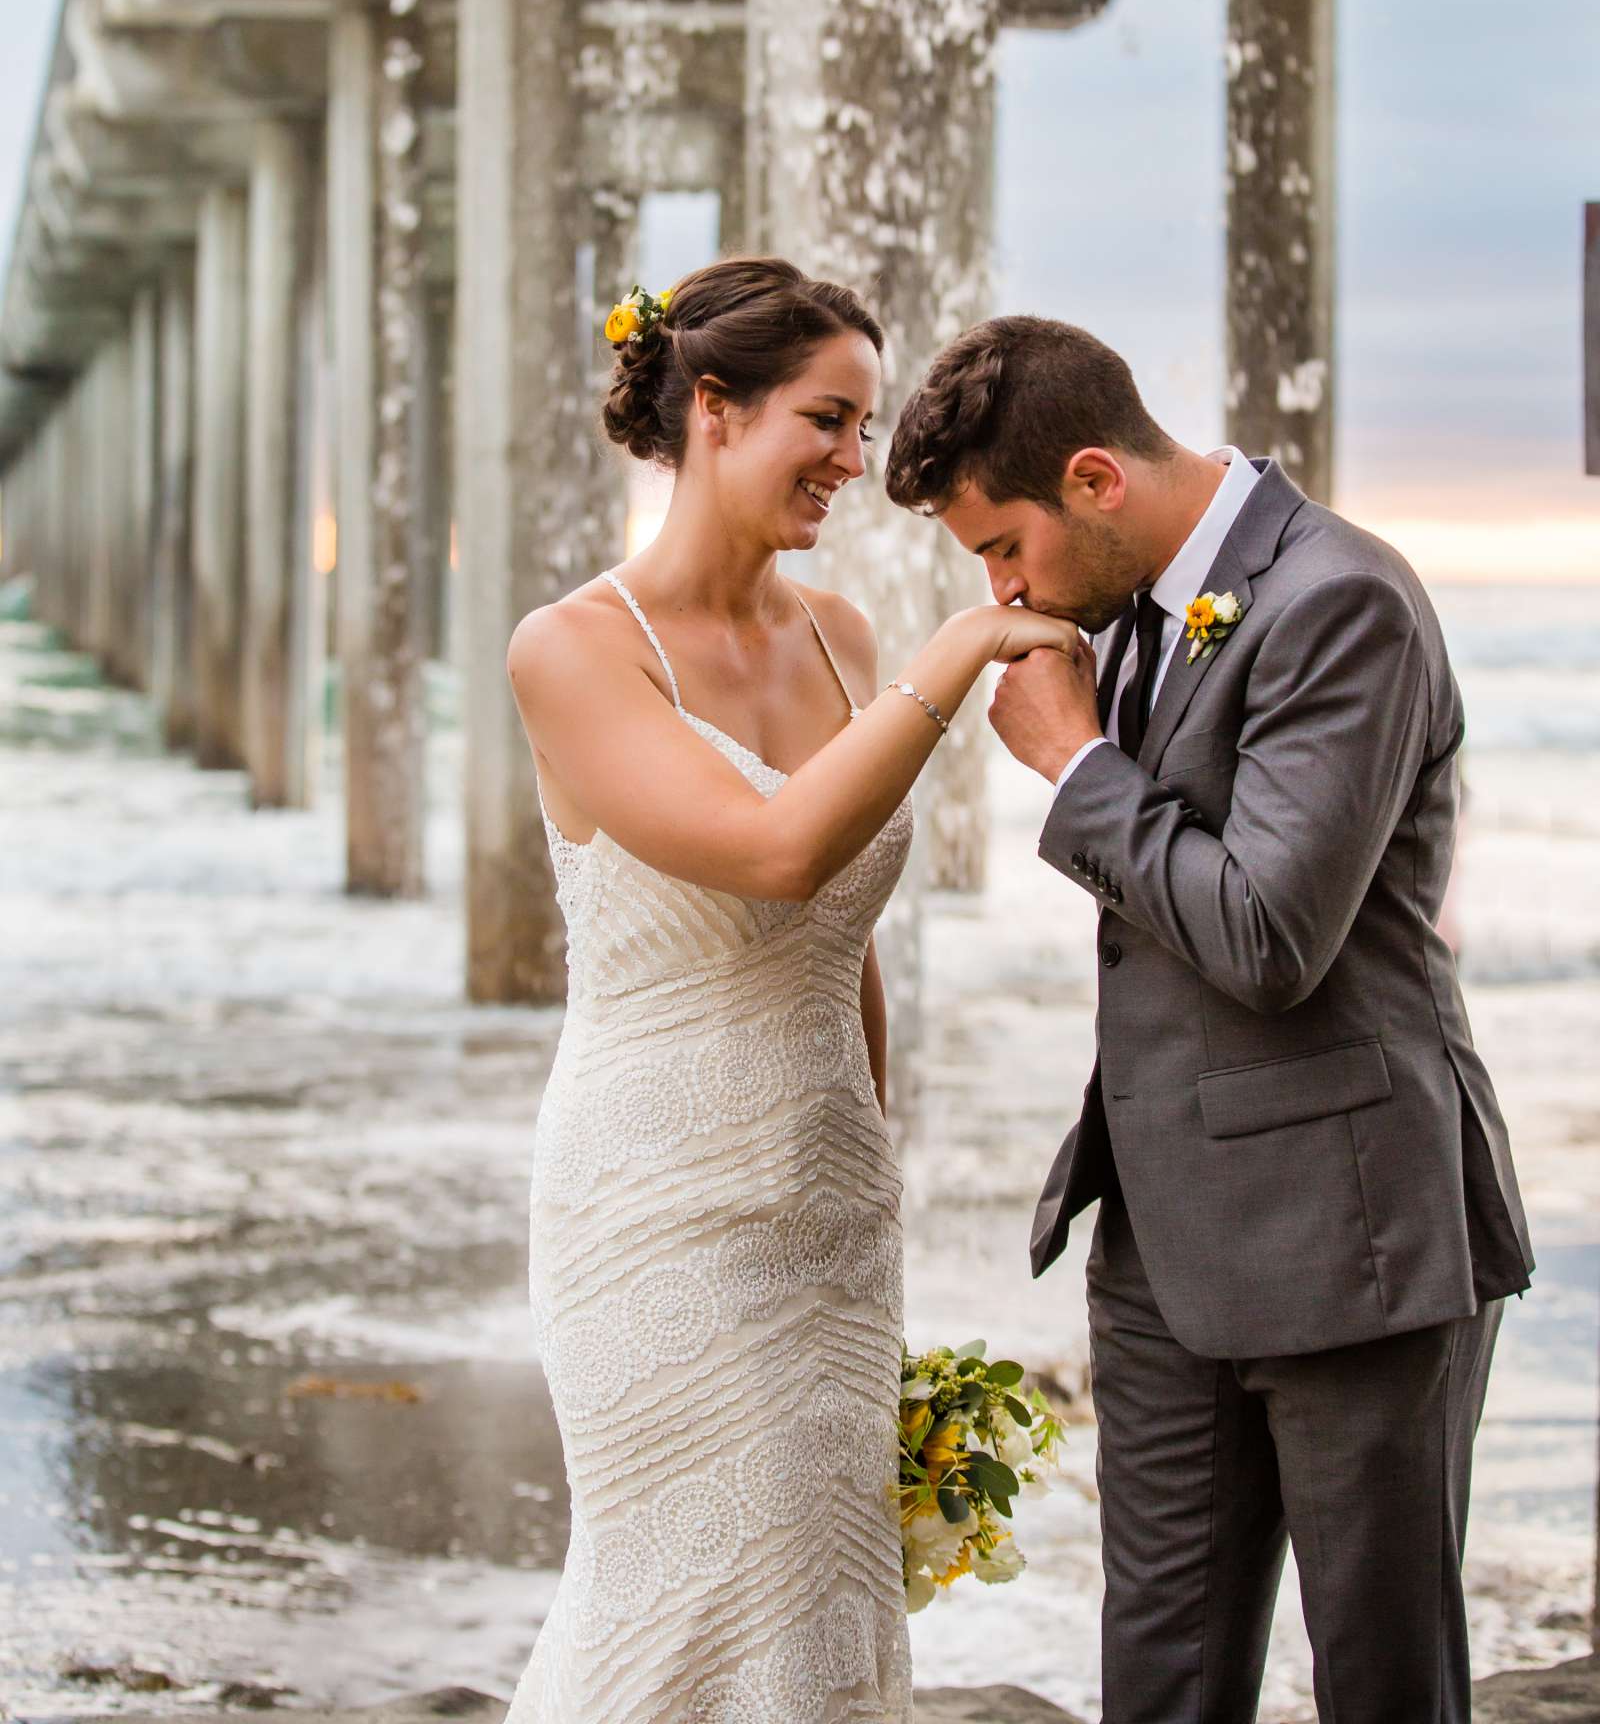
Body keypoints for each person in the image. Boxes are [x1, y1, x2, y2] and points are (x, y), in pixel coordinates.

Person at [884, 313, 1534, 1724]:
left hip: (1359, 1238)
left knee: (1383, 1682)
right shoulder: (1121, 612)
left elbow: (1268, 934)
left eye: (1006, 547)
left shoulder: (1341, 600)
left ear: (1097, 481)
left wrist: (1073, 769)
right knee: (1160, 1681)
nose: (1004, 590)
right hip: (1161, 1246)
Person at [500, 256, 1074, 1724]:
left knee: (824, 1600)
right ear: (712, 407)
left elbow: (844, 937)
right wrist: (958, 661)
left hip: (829, 1210)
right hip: (655, 1209)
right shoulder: (572, 651)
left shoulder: (846, 645)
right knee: (678, 1596)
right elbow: (773, 852)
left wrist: (870, 1163)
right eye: (828, 418)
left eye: (865, 427)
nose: (852, 460)